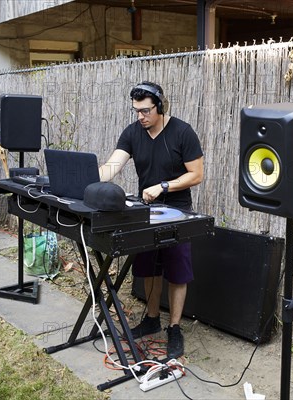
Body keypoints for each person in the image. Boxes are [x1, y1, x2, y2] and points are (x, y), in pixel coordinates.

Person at [98, 81, 204, 360]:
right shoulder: (133, 132)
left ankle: (175, 327)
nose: (140, 116)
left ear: (160, 106)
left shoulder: (183, 132)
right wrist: (87, 178)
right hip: (146, 211)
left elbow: (196, 174)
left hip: (178, 211)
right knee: (148, 268)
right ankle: (152, 318)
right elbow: (112, 167)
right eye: (136, 111)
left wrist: (165, 186)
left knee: (177, 272)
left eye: (145, 111)